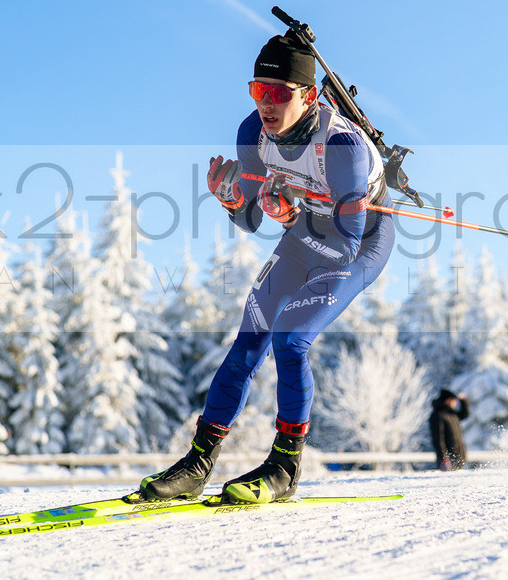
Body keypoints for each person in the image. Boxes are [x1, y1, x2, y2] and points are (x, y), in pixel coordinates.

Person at [138, 30, 395, 504]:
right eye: (258, 90)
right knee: (248, 340)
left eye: (278, 93)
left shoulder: (343, 147)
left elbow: (344, 246)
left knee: (291, 339)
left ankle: (285, 467)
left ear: (310, 96)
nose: (265, 104)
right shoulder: (251, 135)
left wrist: (291, 217)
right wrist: (233, 200)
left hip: (359, 243)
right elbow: (250, 219)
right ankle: (198, 462)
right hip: (305, 233)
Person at [429, 389, 470, 471]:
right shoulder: (438, 415)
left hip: (458, 455)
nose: (456, 403)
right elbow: (438, 438)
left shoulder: (452, 414)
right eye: (454, 401)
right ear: (448, 400)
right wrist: (443, 457)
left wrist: (463, 401)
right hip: (448, 459)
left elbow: (465, 414)